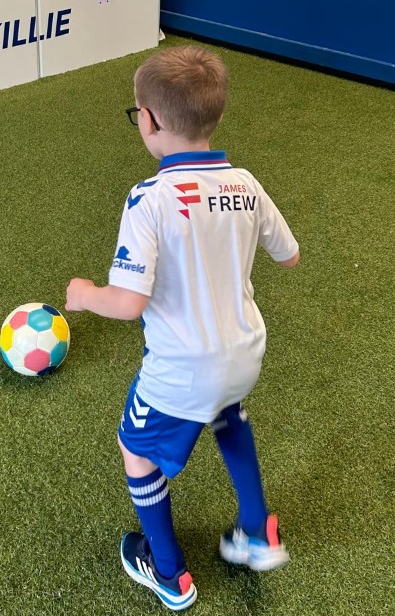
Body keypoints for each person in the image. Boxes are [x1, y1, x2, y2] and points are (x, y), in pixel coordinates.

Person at [65, 46, 300, 611]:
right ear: (213, 117)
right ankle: (256, 532)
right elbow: (288, 257)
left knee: (135, 449)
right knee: (227, 413)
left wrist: (85, 295)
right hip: (243, 353)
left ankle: (167, 571)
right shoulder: (245, 182)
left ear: (149, 121)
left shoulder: (149, 198)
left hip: (182, 368)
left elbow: (128, 301)